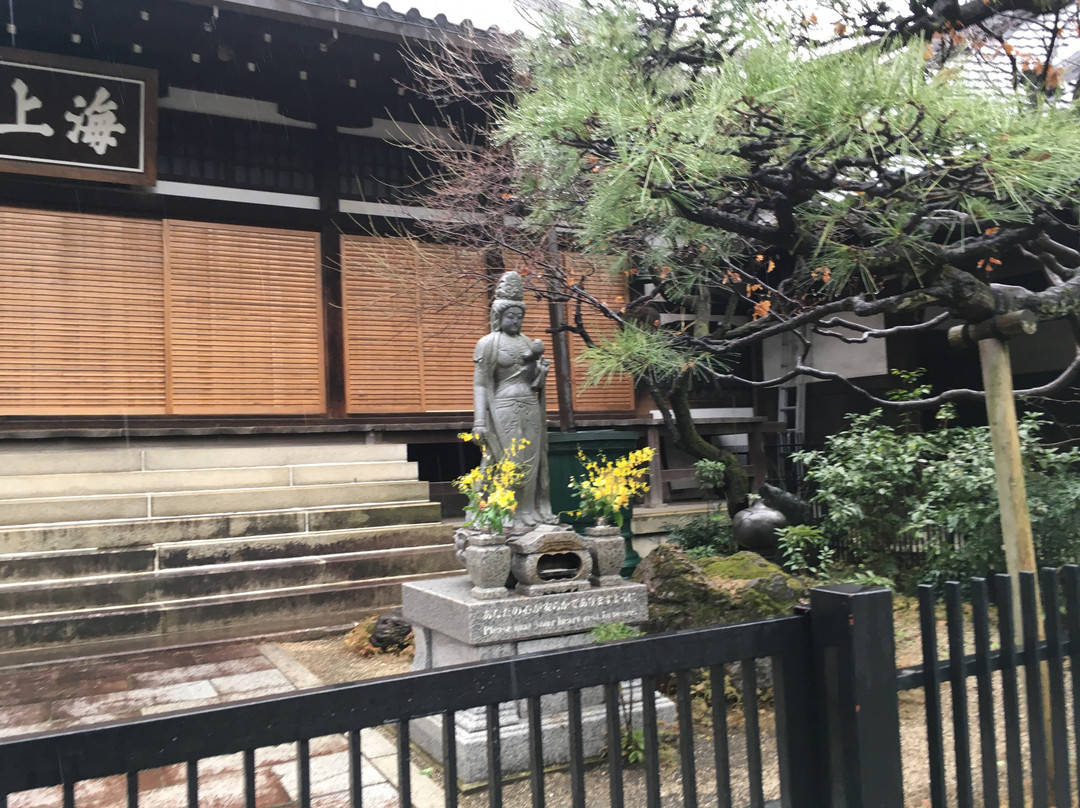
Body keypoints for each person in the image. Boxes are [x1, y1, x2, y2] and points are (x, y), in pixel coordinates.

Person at [472, 271, 558, 532]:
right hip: (503, 407)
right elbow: (481, 383)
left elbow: (533, 382)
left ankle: (528, 510)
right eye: (511, 316)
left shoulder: (526, 342)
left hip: (528, 404)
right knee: (507, 459)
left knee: (531, 458)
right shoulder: (488, 344)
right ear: (499, 316)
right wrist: (478, 420)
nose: (516, 321)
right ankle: (503, 509)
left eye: (519, 317)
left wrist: (538, 369)